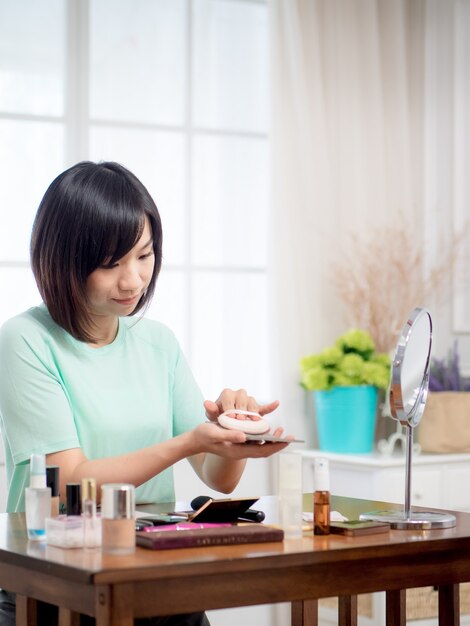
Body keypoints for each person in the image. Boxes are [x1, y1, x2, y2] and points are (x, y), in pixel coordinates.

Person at [0, 161, 291, 626]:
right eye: (110, 263)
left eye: (144, 255)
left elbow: (219, 478)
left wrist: (235, 435)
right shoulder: (25, 340)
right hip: (58, 584)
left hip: (154, 572)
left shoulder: (157, 342)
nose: (132, 280)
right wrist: (190, 441)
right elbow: (69, 483)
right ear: (63, 258)